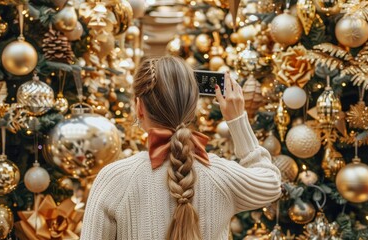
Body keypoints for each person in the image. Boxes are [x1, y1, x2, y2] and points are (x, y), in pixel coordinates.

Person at [81, 56, 282, 240]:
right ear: (193, 109)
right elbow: (271, 184)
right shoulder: (221, 176)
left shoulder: (115, 180)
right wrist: (237, 120)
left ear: (139, 107)